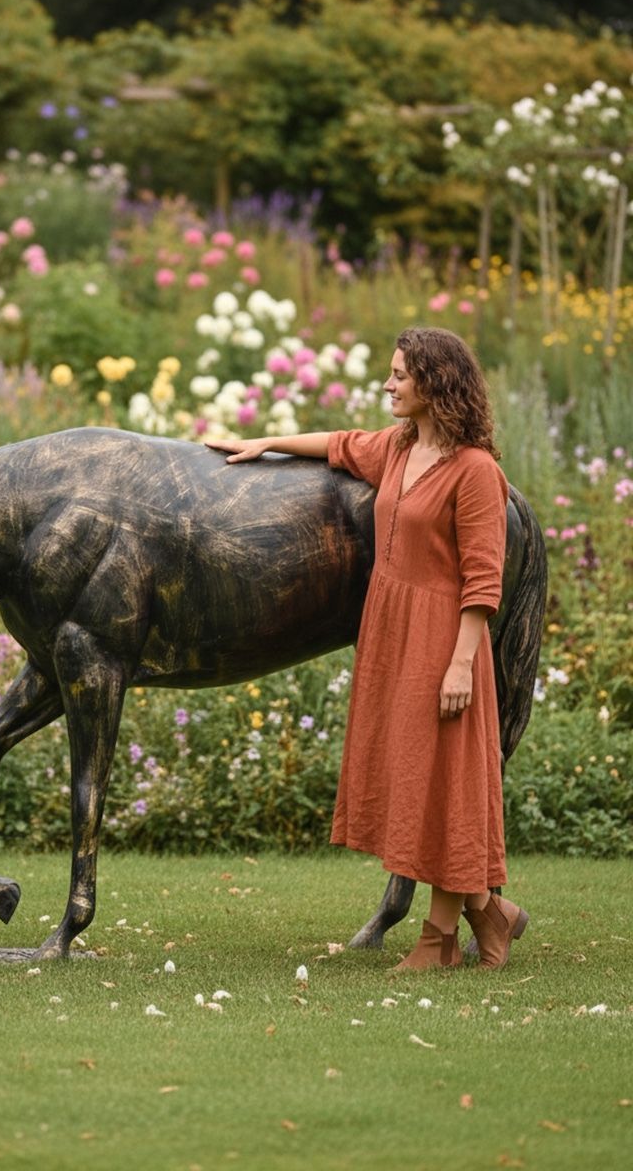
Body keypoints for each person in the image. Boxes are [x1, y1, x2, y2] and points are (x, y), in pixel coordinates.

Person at [206, 327, 528, 971]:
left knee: (443, 783)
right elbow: (338, 445)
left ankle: (439, 940)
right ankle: (491, 912)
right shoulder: (399, 450)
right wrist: (265, 442)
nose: (388, 384)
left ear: (436, 385)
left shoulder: (476, 472)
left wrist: (462, 664)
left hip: (445, 640)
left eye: (401, 376)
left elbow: (483, 580)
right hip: (393, 635)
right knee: (412, 777)